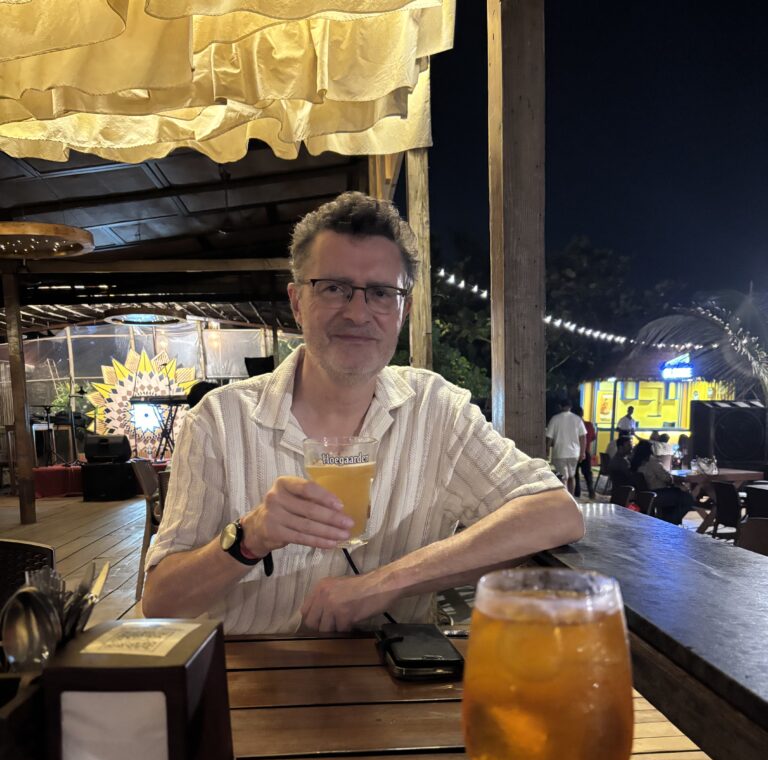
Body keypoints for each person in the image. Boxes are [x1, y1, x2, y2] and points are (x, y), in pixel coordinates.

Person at [142, 192, 584, 633]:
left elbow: (555, 512)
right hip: (253, 669)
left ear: (403, 310)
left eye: (381, 293)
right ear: (297, 302)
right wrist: (248, 538)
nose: (357, 313)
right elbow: (160, 602)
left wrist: (388, 582)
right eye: (334, 288)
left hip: (395, 668)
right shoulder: (218, 421)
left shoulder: (437, 409)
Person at [630, 440, 693, 525]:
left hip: (645, 494)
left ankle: (666, 520)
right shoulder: (651, 461)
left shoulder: (635, 462)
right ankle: (670, 521)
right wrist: (673, 479)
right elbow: (666, 478)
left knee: (677, 495)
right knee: (687, 498)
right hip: (658, 493)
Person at [545, 398, 587, 495]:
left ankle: (566, 498)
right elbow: (583, 437)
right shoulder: (578, 419)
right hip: (574, 453)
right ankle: (571, 497)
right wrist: (582, 452)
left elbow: (549, 437)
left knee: (563, 477)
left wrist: (546, 450)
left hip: (560, 452)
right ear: (570, 407)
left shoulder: (555, 419)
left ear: (560, 406)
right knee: (572, 476)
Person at [571, 404, 596, 499]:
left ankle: (577, 492)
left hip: (574, 452)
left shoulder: (572, 426)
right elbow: (593, 437)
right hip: (586, 452)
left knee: (575, 474)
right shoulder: (589, 425)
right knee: (587, 473)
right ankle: (591, 490)